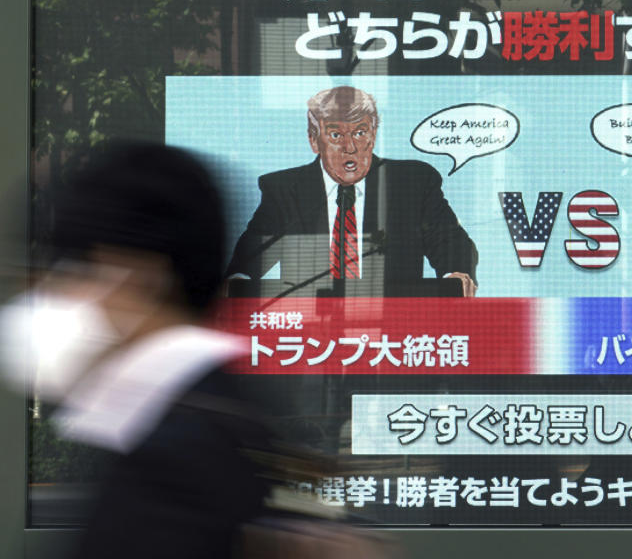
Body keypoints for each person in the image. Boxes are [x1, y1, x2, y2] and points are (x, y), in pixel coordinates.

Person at [0, 142, 270, 558]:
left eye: (68, 272)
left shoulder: (172, 462)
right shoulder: (202, 417)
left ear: (136, 276)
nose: (51, 295)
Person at [226, 86, 478, 296]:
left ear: (374, 134)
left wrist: (455, 274)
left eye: (360, 132)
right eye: (335, 134)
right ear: (314, 139)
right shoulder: (285, 190)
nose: (350, 147)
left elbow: (449, 241)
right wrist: (235, 285)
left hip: (395, 328)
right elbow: (252, 256)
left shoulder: (412, 182)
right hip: (310, 331)